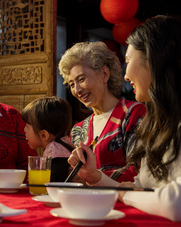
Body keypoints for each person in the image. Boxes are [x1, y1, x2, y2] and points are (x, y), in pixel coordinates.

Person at [68, 15, 181, 221]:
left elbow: (174, 202)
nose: (125, 75)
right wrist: (95, 177)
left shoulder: (134, 113)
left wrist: (126, 194)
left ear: (154, 59)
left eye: (128, 61)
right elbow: (140, 188)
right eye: (70, 84)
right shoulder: (159, 123)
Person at [58, 41, 146, 182]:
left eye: (81, 79)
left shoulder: (132, 112)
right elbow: (76, 176)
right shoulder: (78, 129)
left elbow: (139, 171)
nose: (77, 90)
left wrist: (93, 176)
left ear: (104, 74)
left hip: (123, 201)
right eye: (72, 84)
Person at [21, 96, 73, 182]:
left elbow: (55, 184)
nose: (24, 130)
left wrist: (37, 180)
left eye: (27, 127)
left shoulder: (56, 153)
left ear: (44, 135)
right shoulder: (63, 145)